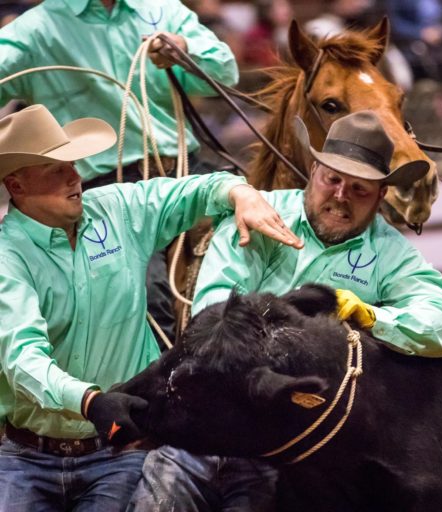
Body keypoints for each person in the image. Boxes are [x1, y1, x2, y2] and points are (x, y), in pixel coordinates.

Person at [129, 110, 442, 511]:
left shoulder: (391, 253)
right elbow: (212, 308)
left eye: (359, 189)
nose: (341, 196)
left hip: (288, 439)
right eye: (333, 179)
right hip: (210, 413)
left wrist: (372, 317)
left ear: (381, 197)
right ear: (313, 171)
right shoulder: (260, 215)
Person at [0, 104, 302, 512]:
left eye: (72, 164)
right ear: (16, 186)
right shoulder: (6, 256)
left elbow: (193, 191)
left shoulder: (116, 209)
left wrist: (240, 192)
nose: (75, 177)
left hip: (117, 452)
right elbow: (21, 357)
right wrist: (90, 401)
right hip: (25, 456)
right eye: (56, 170)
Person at [0, 0, 240, 341]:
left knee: (260, 233)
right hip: (102, 187)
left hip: (186, 167)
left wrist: (186, 50)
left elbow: (225, 73)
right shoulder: (37, 29)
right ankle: (160, 387)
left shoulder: (162, 8)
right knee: (143, 292)